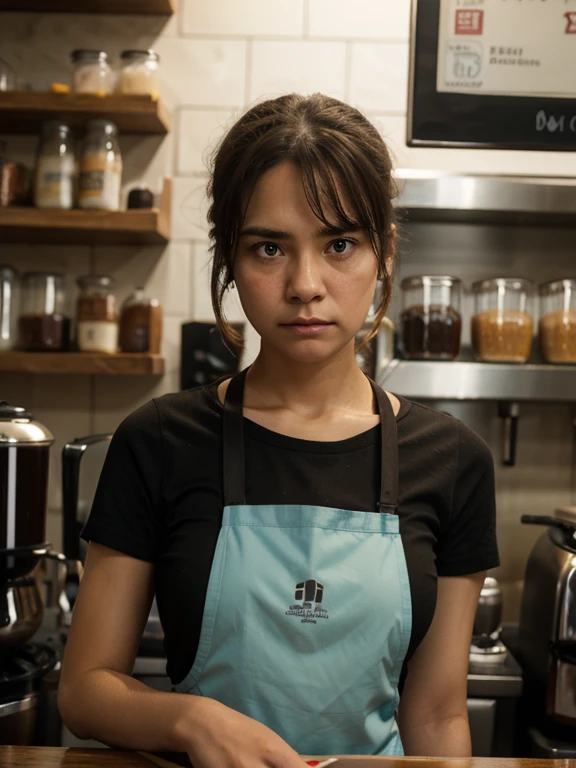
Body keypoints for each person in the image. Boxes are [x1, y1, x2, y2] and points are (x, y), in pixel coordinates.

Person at [58, 93, 499, 762]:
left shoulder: (454, 461)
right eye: (269, 247)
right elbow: (85, 691)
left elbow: (436, 716)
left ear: (384, 253)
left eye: (340, 244)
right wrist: (193, 722)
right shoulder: (159, 441)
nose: (305, 284)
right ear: (230, 260)